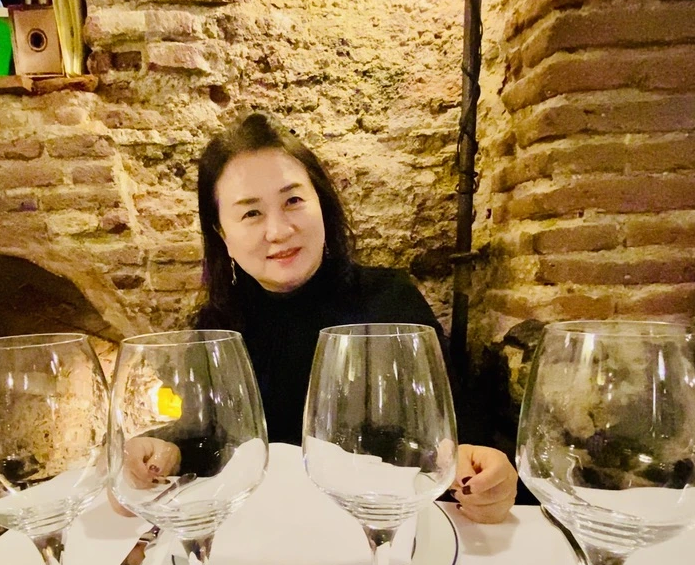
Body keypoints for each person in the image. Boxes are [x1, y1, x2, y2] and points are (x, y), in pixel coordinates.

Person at [121, 113, 517, 524]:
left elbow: (454, 437)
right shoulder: (217, 328)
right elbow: (197, 441)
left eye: (293, 201)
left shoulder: (390, 303)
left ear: (322, 205)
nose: (278, 231)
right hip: (261, 541)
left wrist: (484, 475)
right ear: (223, 235)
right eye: (251, 213)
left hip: (382, 535)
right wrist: (160, 456)